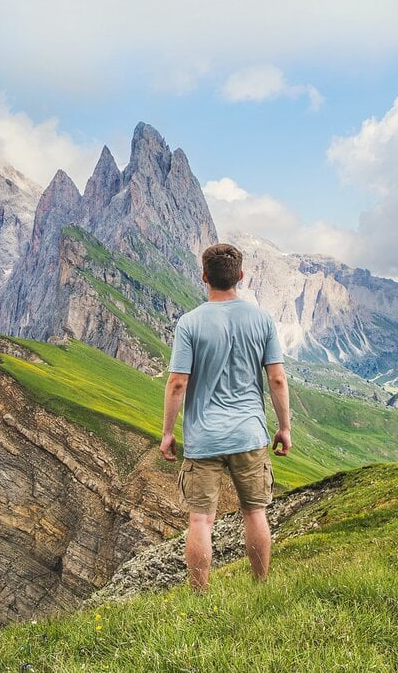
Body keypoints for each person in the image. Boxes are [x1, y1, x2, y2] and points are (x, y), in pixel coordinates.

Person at [159, 243, 292, 592]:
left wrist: (167, 433)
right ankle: (260, 586)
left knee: (200, 519)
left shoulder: (189, 323)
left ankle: (200, 595)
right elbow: (276, 378)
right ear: (241, 277)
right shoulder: (261, 320)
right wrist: (285, 428)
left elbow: (177, 384)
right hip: (249, 434)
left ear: (204, 277)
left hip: (204, 438)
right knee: (255, 512)